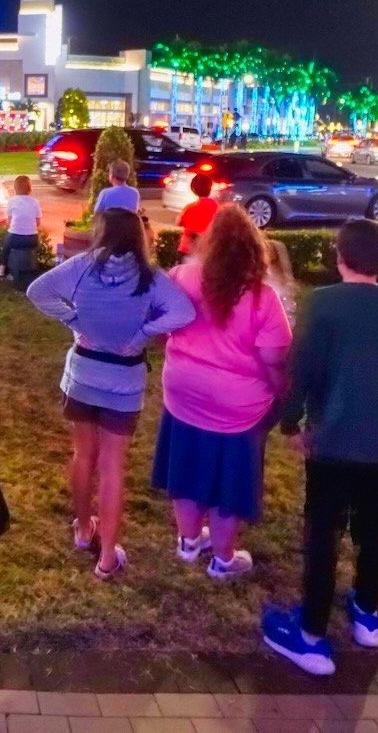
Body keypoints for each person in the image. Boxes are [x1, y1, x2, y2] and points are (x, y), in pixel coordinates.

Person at [262, 220, 378, 676]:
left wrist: (290, 421)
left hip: (334, 436)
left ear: (340, 255)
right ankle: (367, 612)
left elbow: (302, 367)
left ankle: (311, 633)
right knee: (375, 527)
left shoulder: (323, 303)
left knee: (323, 530)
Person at [26, 208, 194, 579]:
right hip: (124, 380)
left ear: (102, 233)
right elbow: (184, 312)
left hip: (83, 373)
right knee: (112, 466)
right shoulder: (150, 276)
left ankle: (84, 529)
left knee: (83, 454)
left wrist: (74, 320)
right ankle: (106, 558)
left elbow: (37, 291)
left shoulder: (83, 266)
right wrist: (142, 334)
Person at [152, 204, 292, 579]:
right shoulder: (263, 298)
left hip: (182, 394)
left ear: (209, 243)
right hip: (239, 410)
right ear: (253, 249)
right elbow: (275, 360)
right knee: (228, 481)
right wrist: (283, 393)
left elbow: (160, 325)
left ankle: (188, 542)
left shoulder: (180, 277)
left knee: (186, 467)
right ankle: (223, 559)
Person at [0, 175, 42, 279]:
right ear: (29, 188)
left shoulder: (12, 201)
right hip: (32, 239)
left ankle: (3, 268)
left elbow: (10, 222)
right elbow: (38, 223)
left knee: (6, 245)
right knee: (32, 248)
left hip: (15, 238)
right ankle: (32, 267)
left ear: (15, 188)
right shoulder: (35, 202)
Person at [176, 173, 220, 257]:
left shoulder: (190, 207)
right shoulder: (217, 206)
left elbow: (179, 222)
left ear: (193, 189)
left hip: (188, 248)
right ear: (210, 188)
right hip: (207, 248)